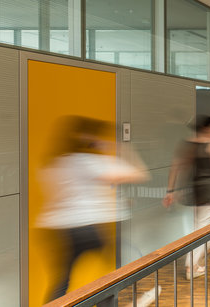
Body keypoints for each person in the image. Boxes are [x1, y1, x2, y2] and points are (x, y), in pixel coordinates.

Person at [37, 116, 150, 302]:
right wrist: (122, 148)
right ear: (90, 138)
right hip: (85, 229)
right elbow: (140, 173)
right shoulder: (87, 161)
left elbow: (73, 191)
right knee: (109, 274)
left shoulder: (54, 162)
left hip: (55, 228)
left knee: (63, 279)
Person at [163, 116, 210, 280]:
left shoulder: (189, 144)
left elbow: (176, 167)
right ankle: (192, 265)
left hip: (198, 192)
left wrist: (170, 190)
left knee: (207, 223)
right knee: (204, 228)